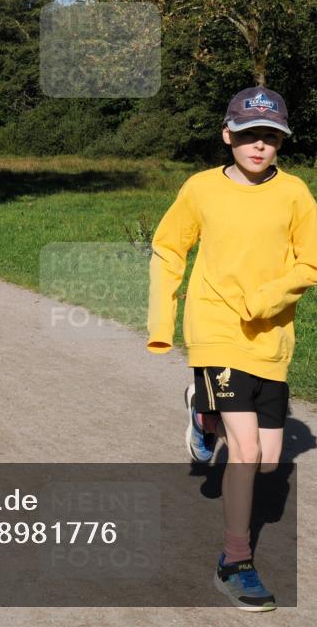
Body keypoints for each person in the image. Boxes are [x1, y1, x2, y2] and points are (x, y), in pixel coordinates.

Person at [147, 87, 317, 610]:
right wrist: (162, 321)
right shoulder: (200, 189)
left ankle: (204, 415)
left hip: (270, 338)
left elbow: (310, 263)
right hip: (216, 330)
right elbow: (169, 247)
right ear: (227, 136)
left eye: (269, 137)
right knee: (243, 454)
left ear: (281, 142)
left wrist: (268, 300)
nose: (258, 145)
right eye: (247, 135)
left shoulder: (295, 195)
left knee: (267, 461)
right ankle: (235, 561)